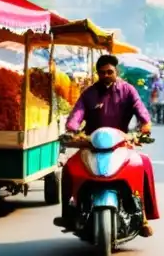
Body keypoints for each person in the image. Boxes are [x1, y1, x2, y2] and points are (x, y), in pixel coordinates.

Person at [58, 54, 158, 235]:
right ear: (97, 73)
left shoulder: (128, 90)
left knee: (143, 164)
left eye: (109, 72)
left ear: (116, 72)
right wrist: (71, 130)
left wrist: (144, 127)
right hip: (91, 144)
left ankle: (143, 216)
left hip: (121, 144)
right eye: (102, 72)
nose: (106, 75)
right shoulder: (89, 93)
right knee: (69, 168)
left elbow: (142, 114)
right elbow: (76, 116)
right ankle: (68, 214)